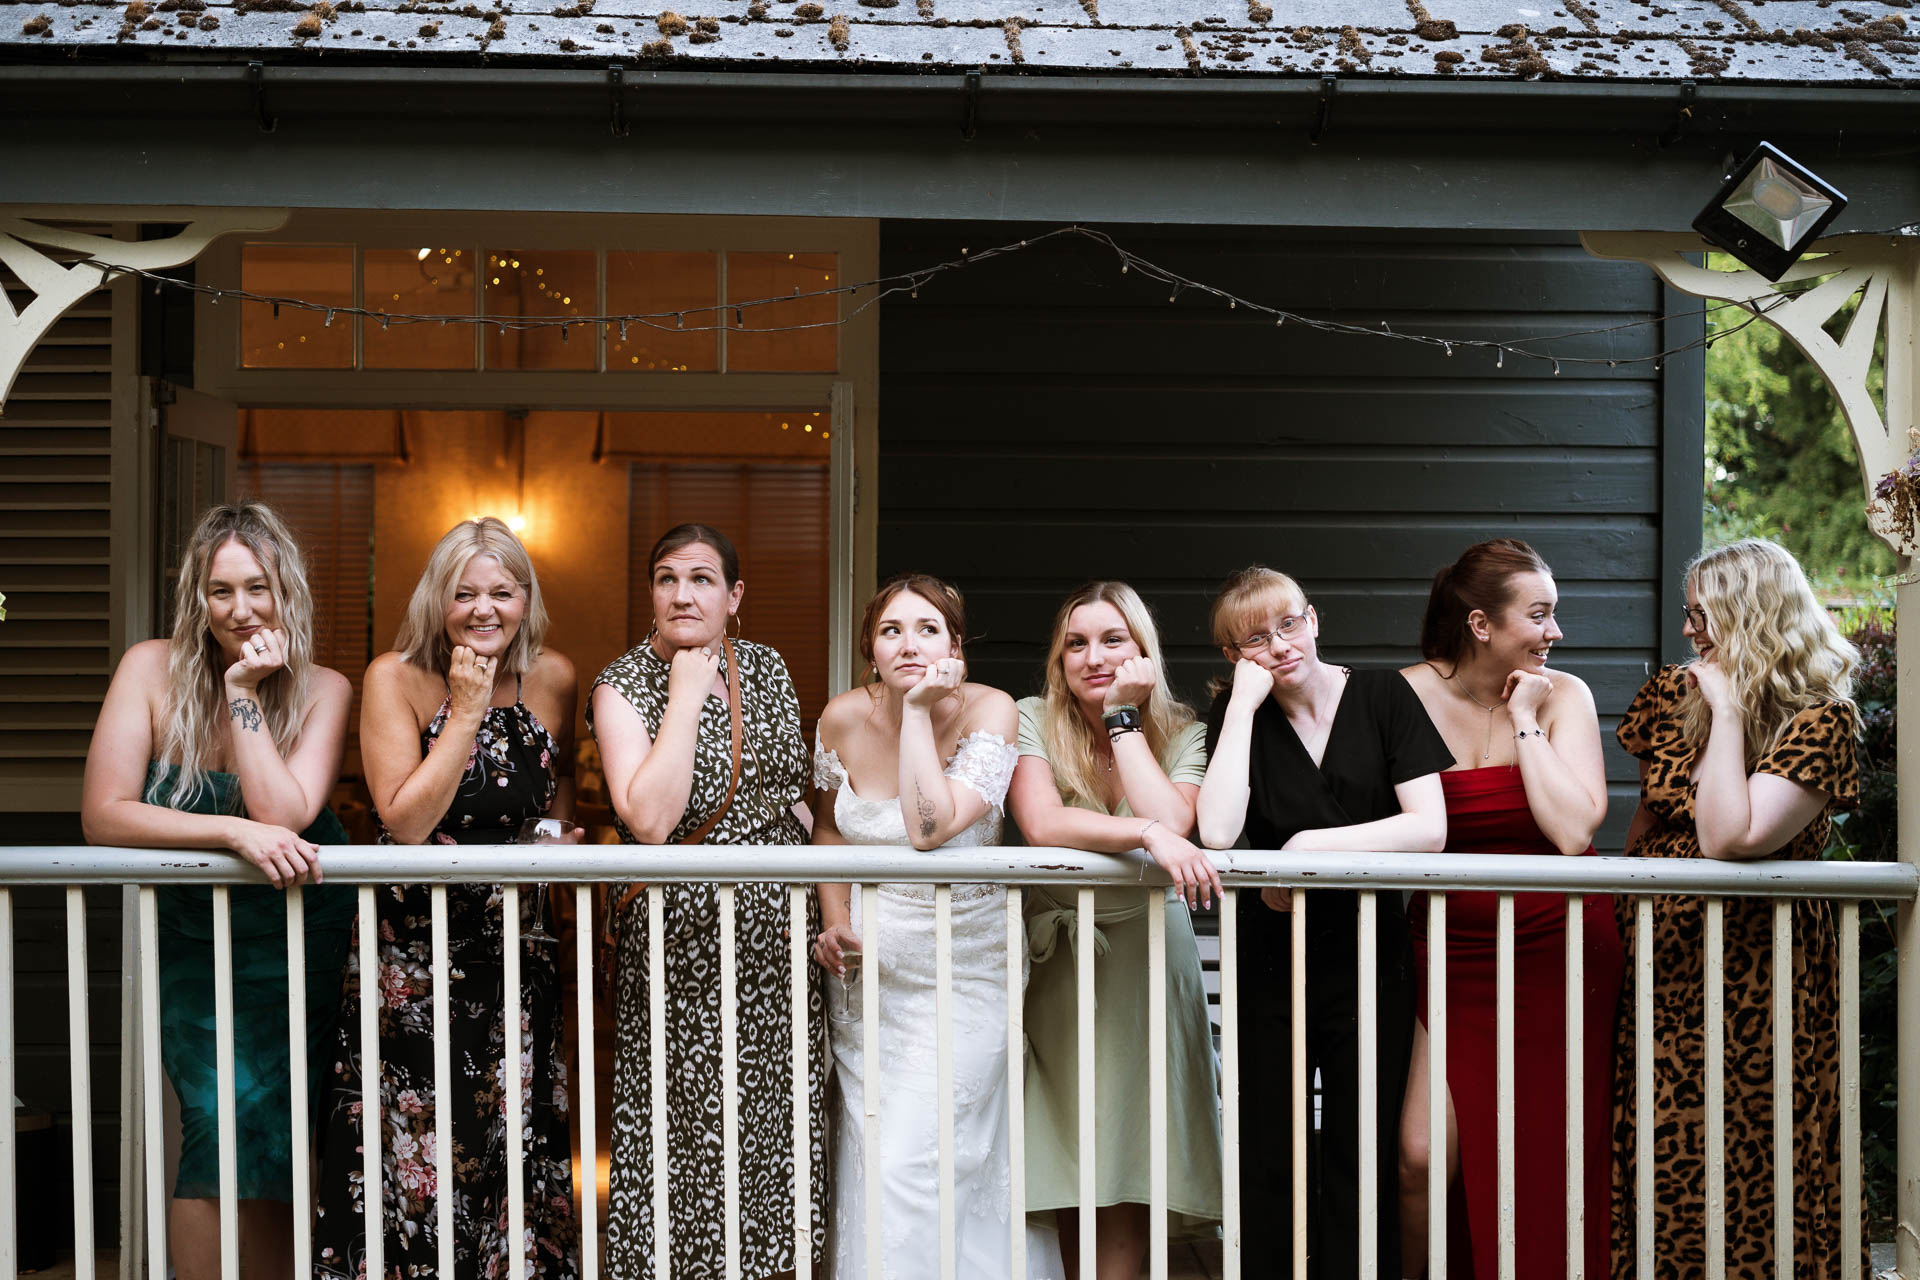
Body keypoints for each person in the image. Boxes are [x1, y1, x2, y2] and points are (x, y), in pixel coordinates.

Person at [81, 501, 356, 1280]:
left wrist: (244, 692)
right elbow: (103, 814)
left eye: (257, 587)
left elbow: (283, 814)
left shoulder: (326, 688)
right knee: (211, 1122)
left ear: (286, 590)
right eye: (221, 591)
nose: (240, 609)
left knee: (281, 1129)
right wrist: (229, 833)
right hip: (193, 939)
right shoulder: (148, 668)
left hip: (299, 931)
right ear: (197, 599)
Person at [312, 517, 579, 1280]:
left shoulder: (553, 676)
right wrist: (465, 709)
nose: (483, 608)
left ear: (526, 598)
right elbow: (405, 819)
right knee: (417, 1146)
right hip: (414, 956)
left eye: (502, 591)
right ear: (437, 599)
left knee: (510, 1137)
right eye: (464, 593)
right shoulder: (393, 677)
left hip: (516, 949)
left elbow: (554, 784)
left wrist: (554, 836)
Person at [1610, 538, 1864, 1280]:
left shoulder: (1821, 720)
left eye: (1705, 614)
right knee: (1663, 1145)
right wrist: (1626, 913)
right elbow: (1647, 823)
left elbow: (1730, 836)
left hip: (1761, 968)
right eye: (1688, 613)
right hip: (1665, 964)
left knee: (1757, 1146)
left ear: (1752, 614)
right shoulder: (1671, 694)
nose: (1689, 630)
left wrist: (1725, 712)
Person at [1195, 565, 1450, 1280]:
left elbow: (1429, 828)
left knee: (1360, 1144)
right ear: (1234, 656)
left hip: (1370, 953)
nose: (1279, 645)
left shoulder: (1382, 696)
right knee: (1268, 1145)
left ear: (1313, 621)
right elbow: (1216, 830)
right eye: (1255, 639)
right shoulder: (1239, 717)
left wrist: (1307, 849)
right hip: (1272, 957)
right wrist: (1241, 707)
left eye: (1288, 623)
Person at [810, 573, 1066, 1280]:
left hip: (966, 972)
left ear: (956, 645)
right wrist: (835, 922)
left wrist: (919, 712)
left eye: (928, 629)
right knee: (876, 1154)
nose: (909, 644)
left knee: (930, 1156)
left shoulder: (991, 709)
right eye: (891, 631)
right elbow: (828, 830)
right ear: (870, 648)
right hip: (870, 982)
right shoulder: (840, 718)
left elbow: (929, 827)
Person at [591, 522, 827, 1280]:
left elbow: (789, 794)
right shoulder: (622, 684)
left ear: (734, 595)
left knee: (775, 1124)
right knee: (689, 1126)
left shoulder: (767, 666)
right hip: (683, 943)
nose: (683, 594)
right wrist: (686, 696)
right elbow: (650, 819)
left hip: (779, 942)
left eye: (701, 579)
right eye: (667, 579)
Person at [1393, 538, 1623, 1278]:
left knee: (1548, 1150)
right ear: (1481, 624)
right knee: (1420, 1155)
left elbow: (1572, 831)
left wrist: (1526, 719)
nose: (1556, 631)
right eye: (1540, 614)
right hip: (1450, 947)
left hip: (1560, 943)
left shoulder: (1564, 696)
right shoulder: (1402, 696)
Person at [1006, 581, 1224, 1279]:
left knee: (1134, 1146)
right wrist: (1146, 833)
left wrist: (1123, 719)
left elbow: (1178, 816)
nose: (1093, 657)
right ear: (1058, 658)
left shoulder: (1185, 732)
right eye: (1076, 643)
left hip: (1148, 958)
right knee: (1070, 1147)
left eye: (1112, 640)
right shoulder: (1030, 717)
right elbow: (1042, 822)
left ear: (1142, 651)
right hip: (1061, 958)